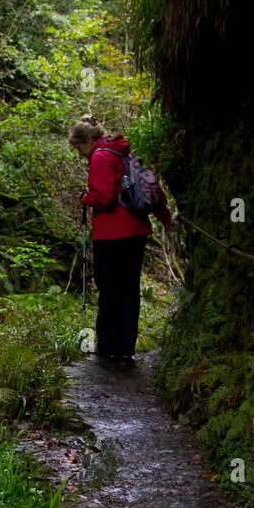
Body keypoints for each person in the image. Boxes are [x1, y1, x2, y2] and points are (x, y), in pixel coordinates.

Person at [68, 116, 175, 366]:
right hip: (136, 232)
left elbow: (103, 198)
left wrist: (86, 199)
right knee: (128, 290)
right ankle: (125, 349)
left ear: (89, 141)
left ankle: (107, 346)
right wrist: (166, 219)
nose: (80, 154)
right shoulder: (124, 154)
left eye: (79, 147)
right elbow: (153, 189)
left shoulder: (100, 156)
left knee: (109, 289)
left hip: (112, 234)